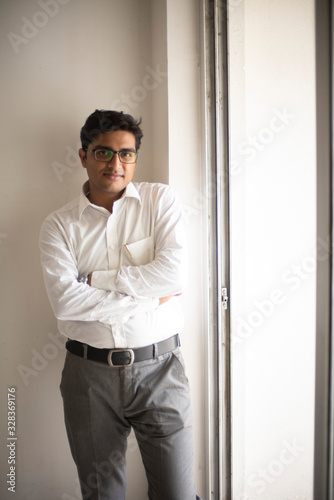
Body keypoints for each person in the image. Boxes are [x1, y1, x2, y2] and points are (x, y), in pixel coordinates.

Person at [39, 110, 202, 500]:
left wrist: (98, 281)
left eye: (126, 154)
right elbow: (66, 302)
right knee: (102, 495)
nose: (116, 164)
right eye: (104, 153)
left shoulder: (159, 200)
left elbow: (174, 277)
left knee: (177, 494)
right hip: (88, 376)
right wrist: (148, 297)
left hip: (160, 371)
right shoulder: (59, 226)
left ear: (135, 158)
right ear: (83, 156)